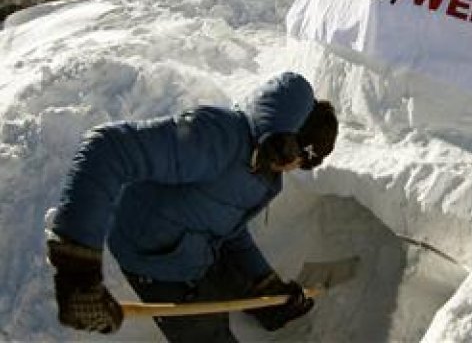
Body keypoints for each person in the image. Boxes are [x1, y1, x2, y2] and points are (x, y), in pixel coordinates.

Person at [44, 71, 338, 341]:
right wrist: (77, 270)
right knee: (208, 333)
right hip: (156, 258)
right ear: (287, 135)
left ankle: (267, 307)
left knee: (234, 279)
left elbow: (228, 228)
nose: (293, 167)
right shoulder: (216, 137)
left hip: (196, 240)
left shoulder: (265, 173)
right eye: (298, 156)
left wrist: (266, 283)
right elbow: (107, 148)